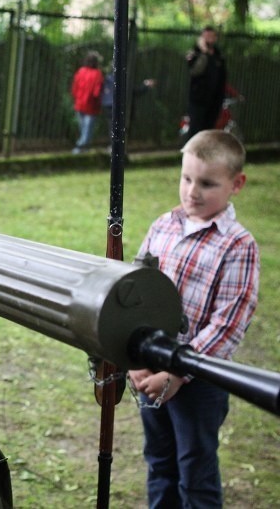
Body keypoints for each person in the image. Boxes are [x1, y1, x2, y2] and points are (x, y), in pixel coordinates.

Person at [128, 129, 259, 508]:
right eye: (186, 179)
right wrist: (135, 359)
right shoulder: (163, 225)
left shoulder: (238, 244)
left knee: (195, 470)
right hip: (151, 370)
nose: (192, 192)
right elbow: (135, 290)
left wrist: (179, 371)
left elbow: (229, 324)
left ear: (237, 184)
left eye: (207, 183)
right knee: (159, 463)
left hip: (200, 380)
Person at [185, 26, 227, 141]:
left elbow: (222, 77)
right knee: (195, 130)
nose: (209, 39)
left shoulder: (219, 55)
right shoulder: (195, 54)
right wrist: (204, 53)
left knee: (209, 130)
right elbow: (195, 71)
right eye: (206, 36)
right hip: (198, 100)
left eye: (211, 36)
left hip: (214, 100)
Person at [70, 51, 104, 154]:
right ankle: (79, 148)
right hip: (91, 106)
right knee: (87, 129)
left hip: (79, 103)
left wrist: (76, 97)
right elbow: (97, 92)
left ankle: (84, 149)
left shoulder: (81, 71)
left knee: (83, 128)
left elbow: (74, 87)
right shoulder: (98, 74)